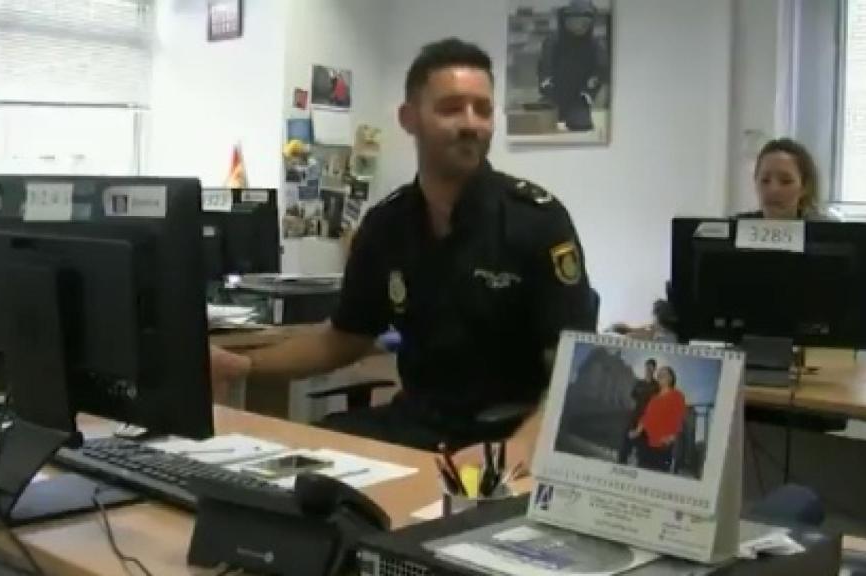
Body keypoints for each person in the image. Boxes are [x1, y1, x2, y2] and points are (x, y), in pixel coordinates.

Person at [210, 38, 596, 452]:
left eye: (482, 109)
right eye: (451, 108)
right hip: (417, 426)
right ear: (408, 118)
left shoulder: (536, 221)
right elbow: (343, 338)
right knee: (294, 465)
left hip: (505, 434)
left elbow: (573, 370)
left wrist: (515, 456)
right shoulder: (386, 225)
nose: (471, 123)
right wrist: (246, 366)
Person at [611, 137, 824, 338]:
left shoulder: (825, 238)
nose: (773, 189)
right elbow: (689, 302)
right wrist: (654, 330)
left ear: (804, 187)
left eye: (785, 181)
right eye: (765, 180)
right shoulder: (732, 233)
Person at [537, 0, 609, 132]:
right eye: (574, 22)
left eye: (584, 23)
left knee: (580, 124)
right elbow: (544, 68)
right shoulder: (552, 42)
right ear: (565, 21)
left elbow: (598, 74)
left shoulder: (595, 46)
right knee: (538, 124)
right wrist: (547, 87)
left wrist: (586, 95)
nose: (579, 27)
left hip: (579, 98)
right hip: (554, 94)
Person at [629, 366, 686, 473]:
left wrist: (671, 437)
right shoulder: (654, 398)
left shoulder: (677, 395)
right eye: (659, 373)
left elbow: (679, 417)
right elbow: (645, 417)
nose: (660, 375)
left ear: (671, 378)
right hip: (646, 443)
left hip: (663, 444)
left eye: (664, 373)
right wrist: (637, 431)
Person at [618, 358, 658, 464]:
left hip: (647, 422)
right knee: (624, 449)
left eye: (651, 367)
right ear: (645, 368)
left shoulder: (656, 386)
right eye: (647, 366)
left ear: (654, 369)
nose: (649, 369)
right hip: (634, 419)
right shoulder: (639, 384)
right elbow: (632, 398)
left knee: (643, 454)